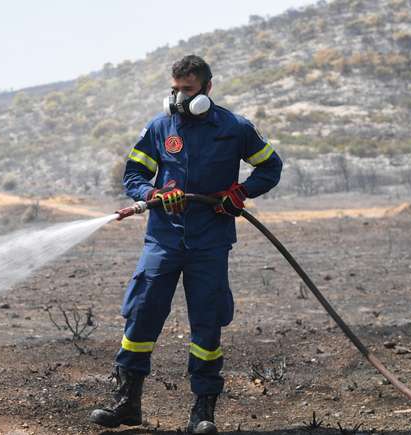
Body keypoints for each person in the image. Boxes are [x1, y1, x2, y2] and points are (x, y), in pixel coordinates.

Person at [90, 55, 283, 434]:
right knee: (141, 314)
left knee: (207, 325)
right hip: (163, 239)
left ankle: (203, 413)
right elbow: (134, 173)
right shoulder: (161, 127)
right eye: (174, 90)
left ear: (207, 90)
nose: (179, 99)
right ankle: (127, 404)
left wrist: (240, 192)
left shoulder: (235, 128)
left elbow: (270, 166)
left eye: (188, 91)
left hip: (210, 241)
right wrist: (152, 191)